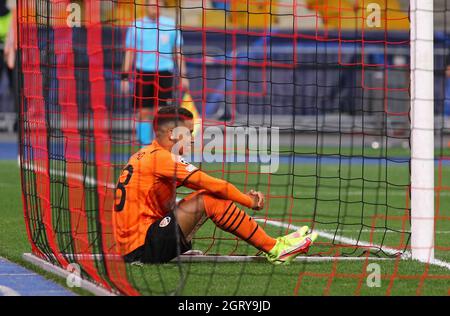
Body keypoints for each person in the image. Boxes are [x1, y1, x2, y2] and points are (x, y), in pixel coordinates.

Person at [113, 106, 317, 265]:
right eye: (189, 133)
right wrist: (249, 201)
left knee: (204, 196)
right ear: (173, 134)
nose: (192, 140)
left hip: (138, 243)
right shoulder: (162, 159)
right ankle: (275, 249)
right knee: (209, 197)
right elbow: (215, 186)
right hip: (142, 248)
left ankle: (275, 245)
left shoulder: (145, 154)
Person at [121, 0, 189, 146]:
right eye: (152, 5)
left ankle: (160, 146)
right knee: (143, 113)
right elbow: (129, 53)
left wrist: (184, 76)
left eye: (158, 5)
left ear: (162, 7)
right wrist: (125, 77)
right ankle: (144, 146)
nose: (155, 8)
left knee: (162, 113)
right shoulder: (136, 25)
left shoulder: (170, 24)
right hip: (143, 74)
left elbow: (178, 52)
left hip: (164, 74)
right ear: (146, 7)